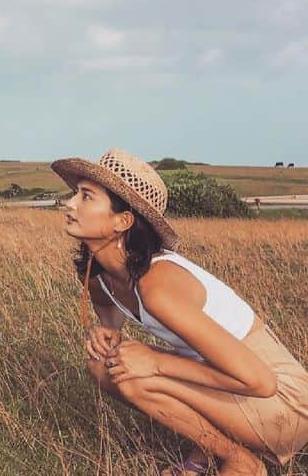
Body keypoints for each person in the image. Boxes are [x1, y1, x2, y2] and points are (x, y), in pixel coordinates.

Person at [54, 149, 308, 475]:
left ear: (123, 221)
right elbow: (108, 309)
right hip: (236, 386)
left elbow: (260, 382)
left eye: (86, 196)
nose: (70, 204)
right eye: (75, 194)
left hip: (286, 403)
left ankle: (240, 460)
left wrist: (157, 362)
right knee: (104, 363)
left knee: (134, 373)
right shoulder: (98, 277)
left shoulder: (158, 284)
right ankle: (220, 451)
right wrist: (108, 331)